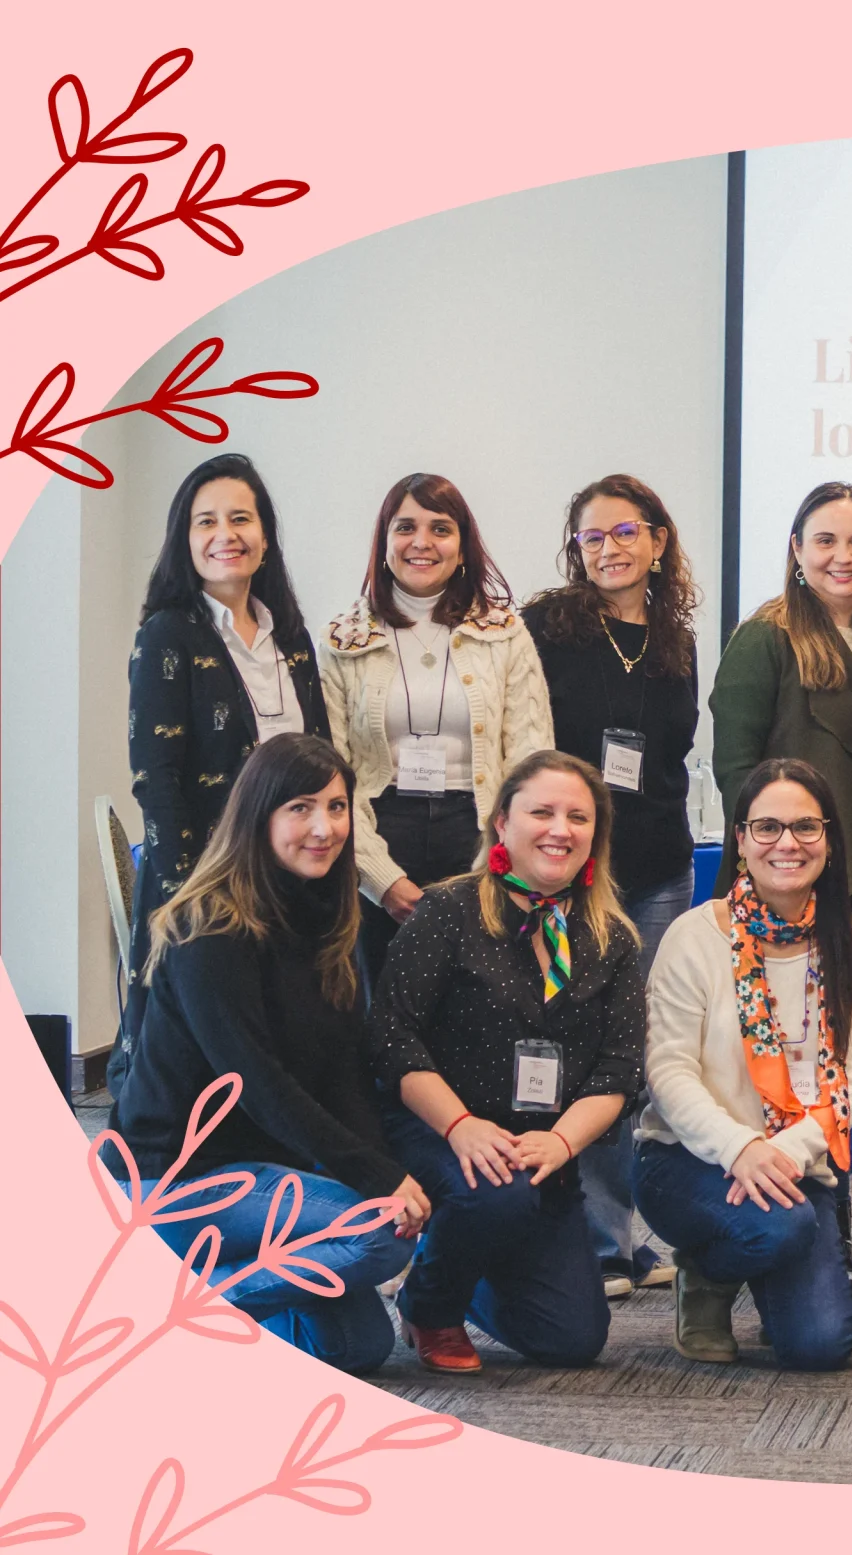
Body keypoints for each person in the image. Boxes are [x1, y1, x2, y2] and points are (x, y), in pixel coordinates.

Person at [112, 734, 424, 1373]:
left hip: (261, 1173)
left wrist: (381, 1168)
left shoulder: (328, 919)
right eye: (301, 808)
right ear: (260, 815)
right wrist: (376, 1181)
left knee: (358, 1347)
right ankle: (173, 1307)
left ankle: (208, 1285)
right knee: (374, 1234)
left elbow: (340, 1073)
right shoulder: (211, 925)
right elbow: (253, 1081)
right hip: (174, 1177)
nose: (324, 828)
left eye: (337, 808)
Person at [370, 751, 647, 1373]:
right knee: (498, 1195)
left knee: (571, 1340)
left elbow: (619, 1070)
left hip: (540, 1149)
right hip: (437, 1128)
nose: (560, 829)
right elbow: (393, 1039)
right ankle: (431, 1305)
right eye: (541, 811)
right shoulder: (447, 911)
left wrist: (559, 1143)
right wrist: (459, 1127)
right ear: (501, 823)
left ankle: (468, 1264)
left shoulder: (613, 938)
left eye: (578, 817)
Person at [522, 474, 703, 1299]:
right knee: (571, 1045)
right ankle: (588, 1237)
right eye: (592, 537)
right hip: (569, 875)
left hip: (658, 871)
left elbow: (668, 760)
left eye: (625, 532)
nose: (610, 549)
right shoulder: (547, 628)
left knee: (636, 1052)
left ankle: (625, 1233)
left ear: (658, 541)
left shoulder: (676, 640)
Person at [632, 758, 852, 1370]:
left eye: (805, 827)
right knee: (781, 1229)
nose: (787, 843)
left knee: (820, 1346)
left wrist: (786, 1154)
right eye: (767, 827)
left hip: (796, 1169)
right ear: (739, 840)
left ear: (828, 839)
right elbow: (668, 1073)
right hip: (687, 1162)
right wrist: (741, 1148)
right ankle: (708, 1272)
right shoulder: (694, 937)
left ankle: (735, 1268)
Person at [116, 454, 331, 1096]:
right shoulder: (167, 635)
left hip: (290, 874)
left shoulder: (288, 634)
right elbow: (157, 779)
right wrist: (187, 895)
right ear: (185, 541)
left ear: (265, 536)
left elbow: (318, 759)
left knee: (276, 1042)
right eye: (205, 521)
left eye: (241, 518)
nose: (225, 534)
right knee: (202, 1052)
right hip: (205, 877)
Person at [324, 473, 553, 974]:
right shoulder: (342, 642)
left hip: (479, 840)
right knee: (382, 1009)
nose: (422, 542)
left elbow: (532, 767)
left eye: (440, 528)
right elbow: (329, 782)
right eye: (405, 527)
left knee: (477, 1007)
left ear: (463, 546)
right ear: (384, 542)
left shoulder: (505, 635)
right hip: (377, 838)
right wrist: (382, 881)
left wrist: (491, 872)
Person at [710, 481, 852, 982]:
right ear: (797, 548)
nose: (843, 557)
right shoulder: (765, 636)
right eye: (825, 540)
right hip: (793, 882)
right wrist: (777, 860)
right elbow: (737, 772)